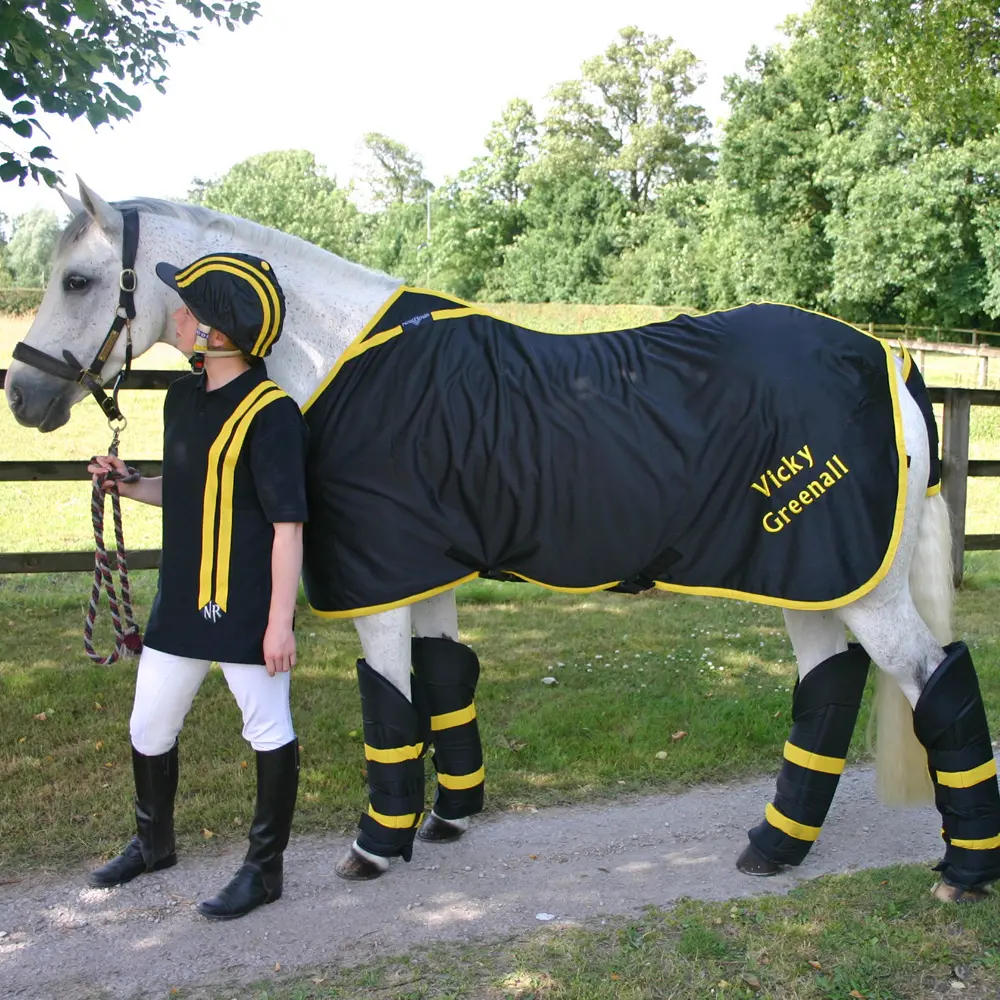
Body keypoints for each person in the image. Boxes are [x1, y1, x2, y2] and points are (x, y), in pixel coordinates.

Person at [86, 252, 308, 920]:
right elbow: (187, 493)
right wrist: (129, 485)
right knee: (148, 725)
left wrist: (278, 623)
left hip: (244, 610)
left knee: (267, 728)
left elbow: (288, 528)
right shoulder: (182, 397)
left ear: (219, 333)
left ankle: (263, 871)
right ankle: (154, 843)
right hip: (181, 602)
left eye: (190, 309)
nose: (177, 317)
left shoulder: (273, 413)